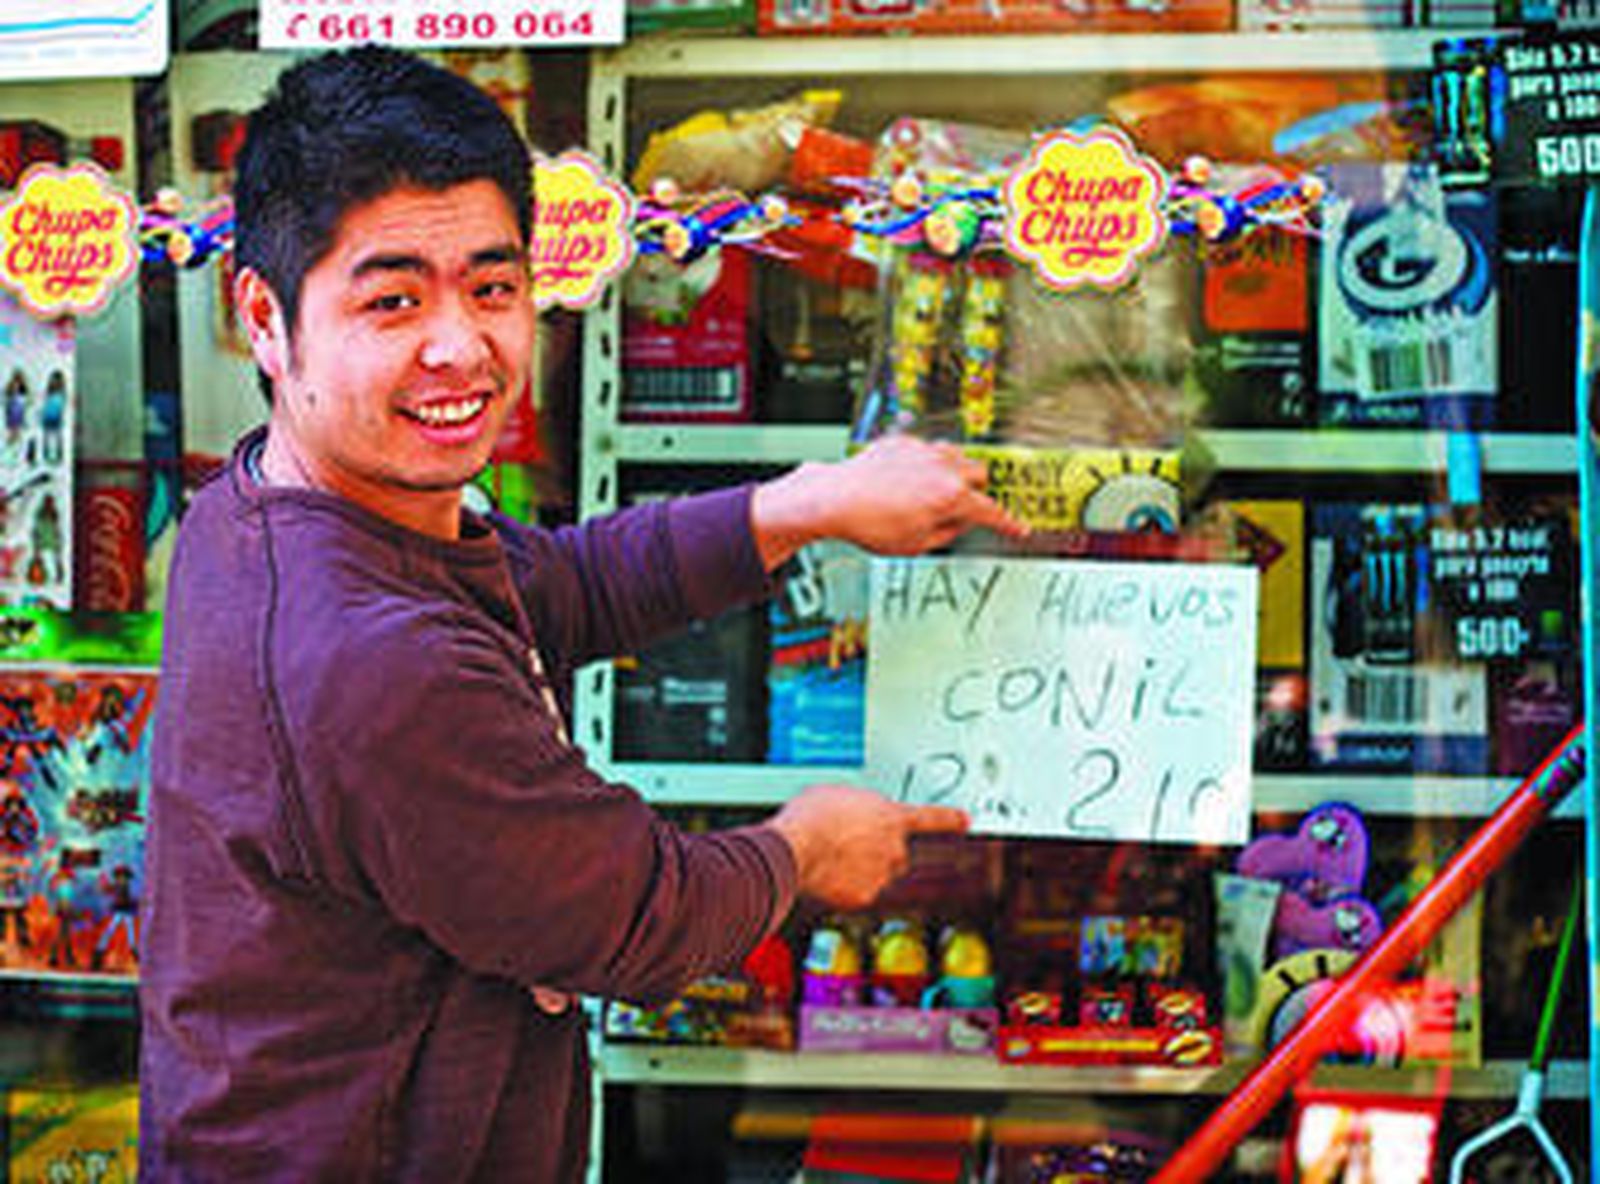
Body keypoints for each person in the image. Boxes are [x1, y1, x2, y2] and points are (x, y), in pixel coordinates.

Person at [139, 46, 1026, 1182]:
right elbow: (637, 915)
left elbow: (551, 583)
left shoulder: (274, 497)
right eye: (394, 298)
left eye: (494, 286)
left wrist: (806, 503)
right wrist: (804, 847)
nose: (461, 345)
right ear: (265, 318)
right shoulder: (372, 656)